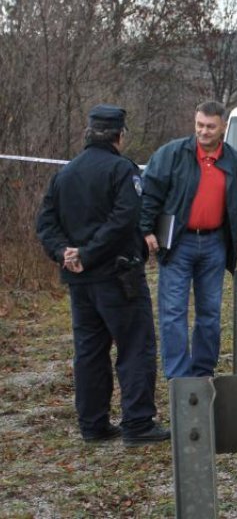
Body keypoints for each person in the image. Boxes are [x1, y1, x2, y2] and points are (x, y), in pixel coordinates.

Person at [36, 104, 170, 446]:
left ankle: (93, 424)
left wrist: (64, 252)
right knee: (135, 346)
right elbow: (125, 219)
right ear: (119, 135)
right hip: (117, 276)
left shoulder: (65, 174)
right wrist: (89, 253)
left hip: (79, 280)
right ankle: (138, 422)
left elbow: (45, 224)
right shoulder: (122, 171)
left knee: (90, 351)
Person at [139, 100, 237, 379]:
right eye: (199, 125)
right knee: (173, 313)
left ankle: (203, 372)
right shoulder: (171, 154)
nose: (203, 132)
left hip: (214, 245)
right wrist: (146, 229)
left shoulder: (234, 162)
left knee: (209, 314)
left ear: (223, 127)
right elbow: (150, 193)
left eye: (210, 126)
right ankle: (179, 378)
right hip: (177, 244)